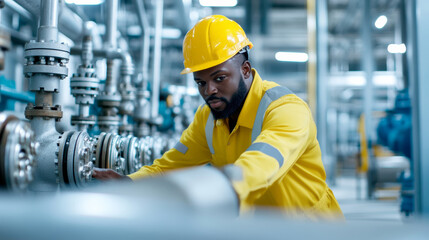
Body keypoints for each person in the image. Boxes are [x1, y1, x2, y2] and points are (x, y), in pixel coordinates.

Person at [94, 15, 343, 219]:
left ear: (245, 70)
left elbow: (262, 163)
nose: (209, 90)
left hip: (314, 229)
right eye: (200, 82)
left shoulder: (286, 109)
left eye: (219, 78)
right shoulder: (208, 118)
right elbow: (171, 165)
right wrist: (131, 182)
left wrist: (219, 187)